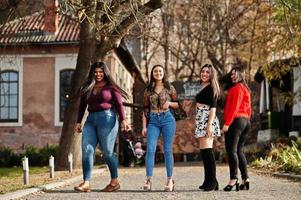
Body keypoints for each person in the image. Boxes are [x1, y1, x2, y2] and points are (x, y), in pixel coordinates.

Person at [74, 61, 130, 192]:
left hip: (107, 119)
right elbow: (82, 106)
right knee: (87, 149)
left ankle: (114, 181)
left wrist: (123, 120)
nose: (98, 74)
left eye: (100, 72)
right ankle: (86, 182)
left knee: (108, 152)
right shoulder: (87, 87)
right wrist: (78, 122)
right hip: (90, 120)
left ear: (105, 73)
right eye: (95, 72)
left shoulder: (111, 88)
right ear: (92, 73)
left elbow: (120, 104)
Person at [141, 64, 179, 192]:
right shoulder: (148, 90)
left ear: (163, 73)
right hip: (153, 120)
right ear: (152, 73)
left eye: (160, 71)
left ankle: (169, 180)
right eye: (155, 71)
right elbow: (145, 108)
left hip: (167, 119)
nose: (158, 73)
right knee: (150, 149)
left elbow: (177, 104)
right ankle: (148, 180)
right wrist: (144, 126)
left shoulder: (170, 87)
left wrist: (169, 103)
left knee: (167, 150)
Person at [221, 66, 252, 192]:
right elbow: (249, 109)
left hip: (236, 121)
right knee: (239, 151)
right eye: (232, 74)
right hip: (245, 121)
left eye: (235, 74)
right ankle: (246, 179)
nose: (233, 76)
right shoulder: (245, 89)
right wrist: (246, 121)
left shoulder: (237, 88)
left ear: (241, 75)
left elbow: (234, 107)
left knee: (231, 150)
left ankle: (233, 179)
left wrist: (227, 123)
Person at [194, 64, 221, 191]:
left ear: (211, 75)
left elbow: (213, 108)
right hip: (201, 119)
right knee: (204, 152)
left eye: (207, 72)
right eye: (203, 71)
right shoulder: (202, 86)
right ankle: (208, 180)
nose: (204, 74)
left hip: (207, 120)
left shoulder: (212, 88)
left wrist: (209, 126)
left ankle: (213, 182)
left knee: (208, 152)